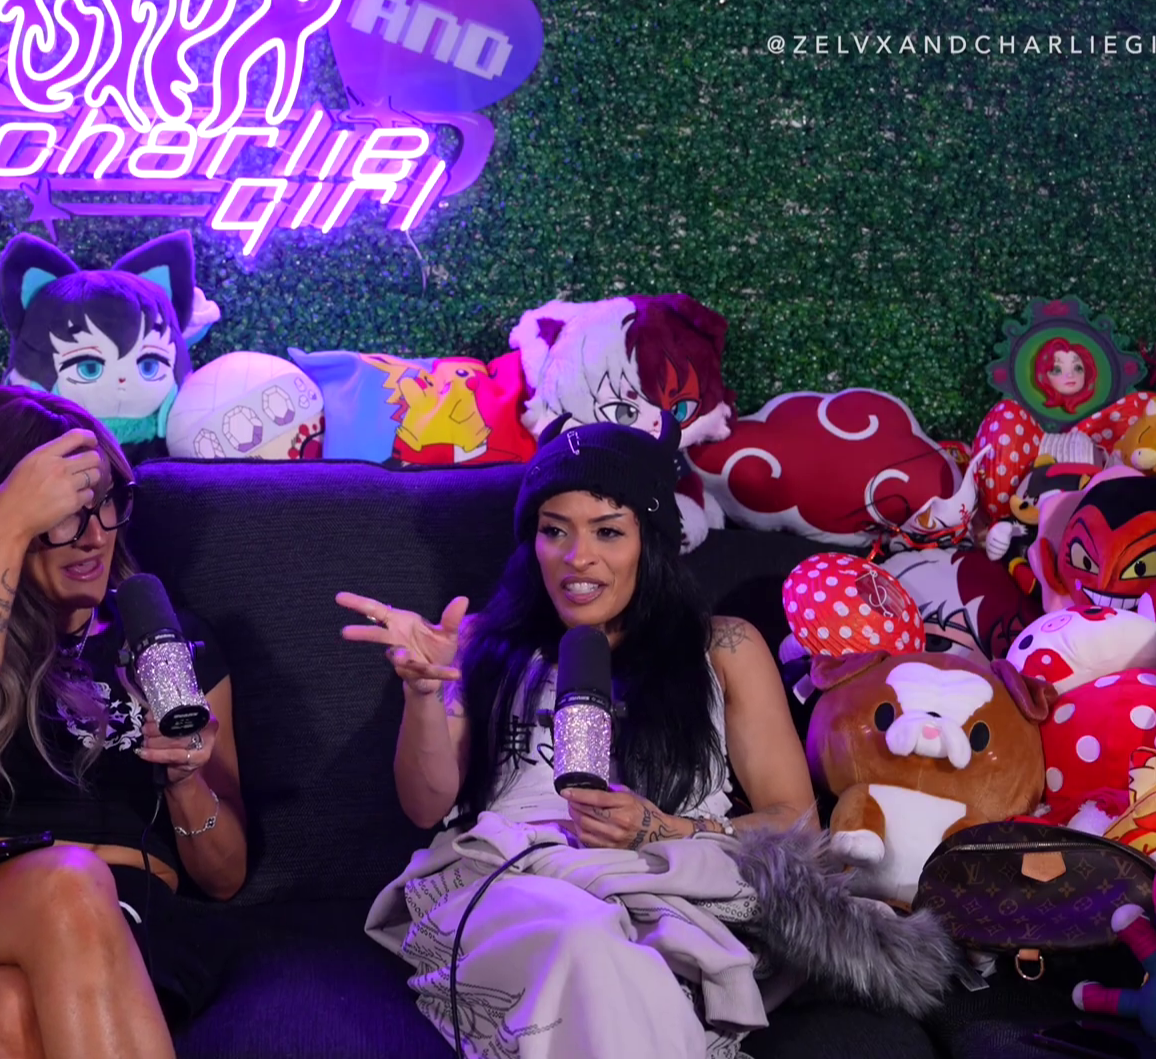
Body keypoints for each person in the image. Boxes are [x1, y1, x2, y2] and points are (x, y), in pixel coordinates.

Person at [341, 418, 819, 1059]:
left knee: (619, 953)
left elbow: (797, 823)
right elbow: (426, 807)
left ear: (650, 541)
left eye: (608, 532)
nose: (578, 558)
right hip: (515, 886)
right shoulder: (479, 641)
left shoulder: (725, 647)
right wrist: (424, 695)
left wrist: (663, 829)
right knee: (584, 934)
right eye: (555, 531)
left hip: (664, 891)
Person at [0, 386, 246, 1059]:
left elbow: (226, 878)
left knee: (4, 1011)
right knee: (67, 881)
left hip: (137, 920)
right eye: (61, 517)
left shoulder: (171, 644)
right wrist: (2, 531)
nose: (95, 536)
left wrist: (184, 781)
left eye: (108, 503)